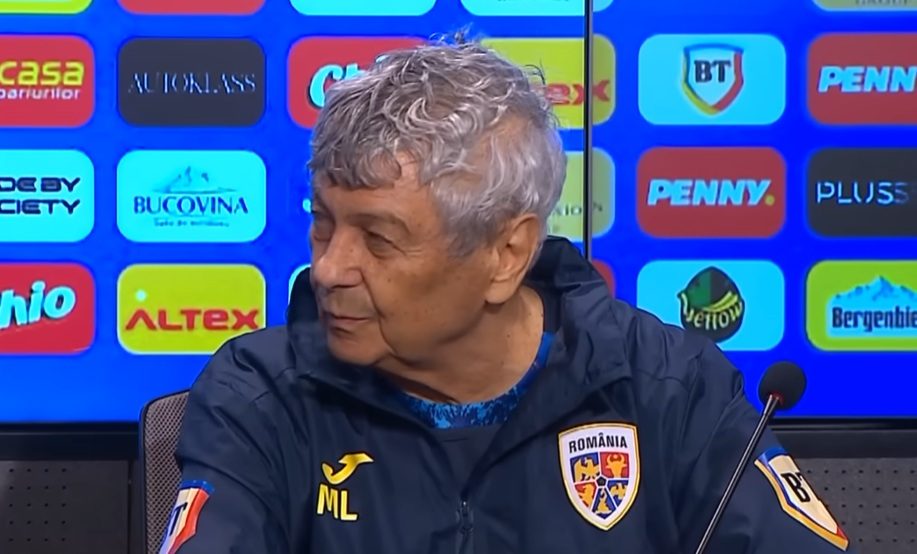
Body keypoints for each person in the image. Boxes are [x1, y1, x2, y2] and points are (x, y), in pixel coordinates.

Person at [159, 35, 853, 554]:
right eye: (323, 223)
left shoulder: (666, 387)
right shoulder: (262, 395)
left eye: (378, 239)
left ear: (506, 254)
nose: (329, 268)